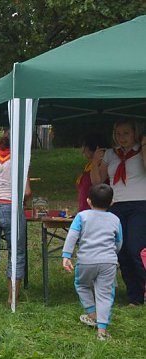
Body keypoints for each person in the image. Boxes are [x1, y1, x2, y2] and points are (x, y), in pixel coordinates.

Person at [91, 119, 146, 307]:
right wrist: (95, 163)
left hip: (140, 204)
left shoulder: (141, 150)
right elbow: (98, 183)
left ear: (135, 133)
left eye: (126, 133)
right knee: (121, 252)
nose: (121, 137)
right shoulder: (110, 155)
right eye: (118, 134)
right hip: (117, 205)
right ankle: (135, 296)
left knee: (136, 249)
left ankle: (144, 289)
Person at [62, 184, 123, 341]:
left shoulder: (82, 216)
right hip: (108, 261)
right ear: (111, 202)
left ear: (88, 201)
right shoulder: (115, 219)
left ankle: (92, 314)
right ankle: (102, 332)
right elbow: (119, 242)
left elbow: (72, 236)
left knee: (82, 285)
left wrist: (66, 255)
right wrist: (112, 254)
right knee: (105, 294)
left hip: (86, 260)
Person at [0, 131, 32, 306]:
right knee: (16, 253)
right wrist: (24, 203)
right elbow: (27, 192)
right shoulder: (20, 158)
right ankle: (12, 298)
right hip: (11, 206)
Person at [76, 132, 108, 212]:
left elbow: (97, 183)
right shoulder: (89, 166)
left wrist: (95, 161)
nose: (82, 150)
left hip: (96, 211)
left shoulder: (103, 164)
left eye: (84, 146)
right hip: (84, 210)